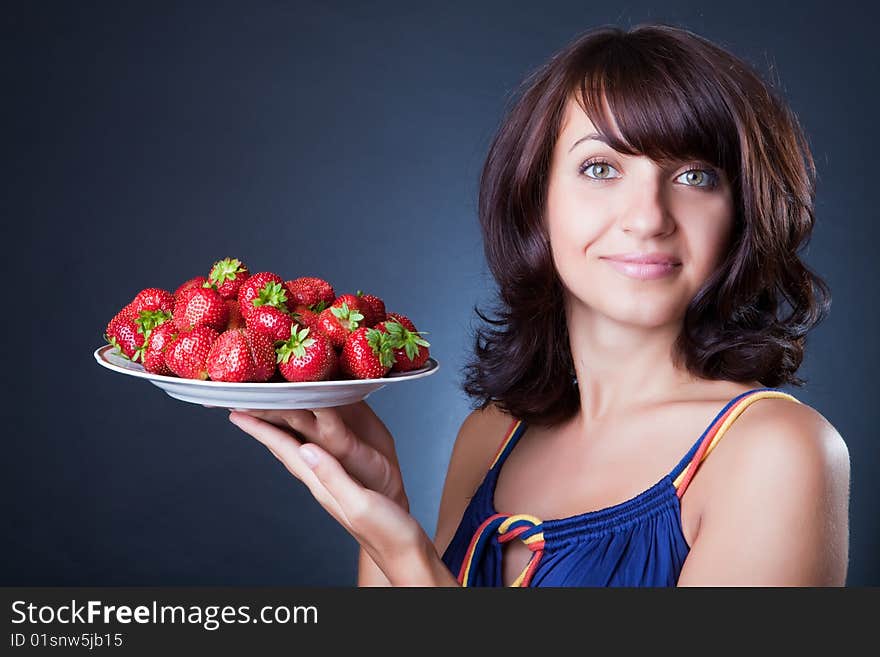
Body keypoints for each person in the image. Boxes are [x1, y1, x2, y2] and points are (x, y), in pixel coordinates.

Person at [227, 22, 851, 586]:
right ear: (536, 201)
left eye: (694, 176)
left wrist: (410, 560)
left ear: (742, 213)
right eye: (601, 169)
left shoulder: (779, 450)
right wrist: (383, 507)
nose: (647, 218)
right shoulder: (491, 435)